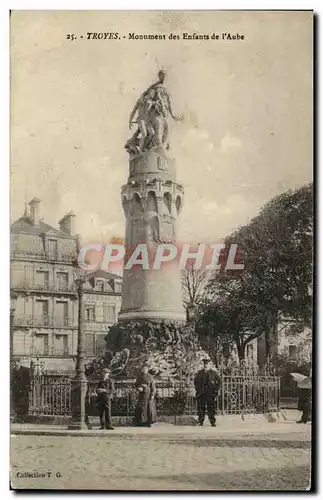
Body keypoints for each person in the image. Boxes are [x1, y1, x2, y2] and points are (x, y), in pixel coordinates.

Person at [194, 358, 221, 427]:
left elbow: (219, 382)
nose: (206, 365)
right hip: (202, 393)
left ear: (210, 365)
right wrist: (198, 390)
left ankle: (212, 422)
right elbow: (195, 382)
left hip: (210, 393)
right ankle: (200, 421)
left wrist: (215, 390)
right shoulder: (200, 373)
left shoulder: (213, 373)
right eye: (204, 364)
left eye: (207, 364)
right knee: (201, 408)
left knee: (211, 408)